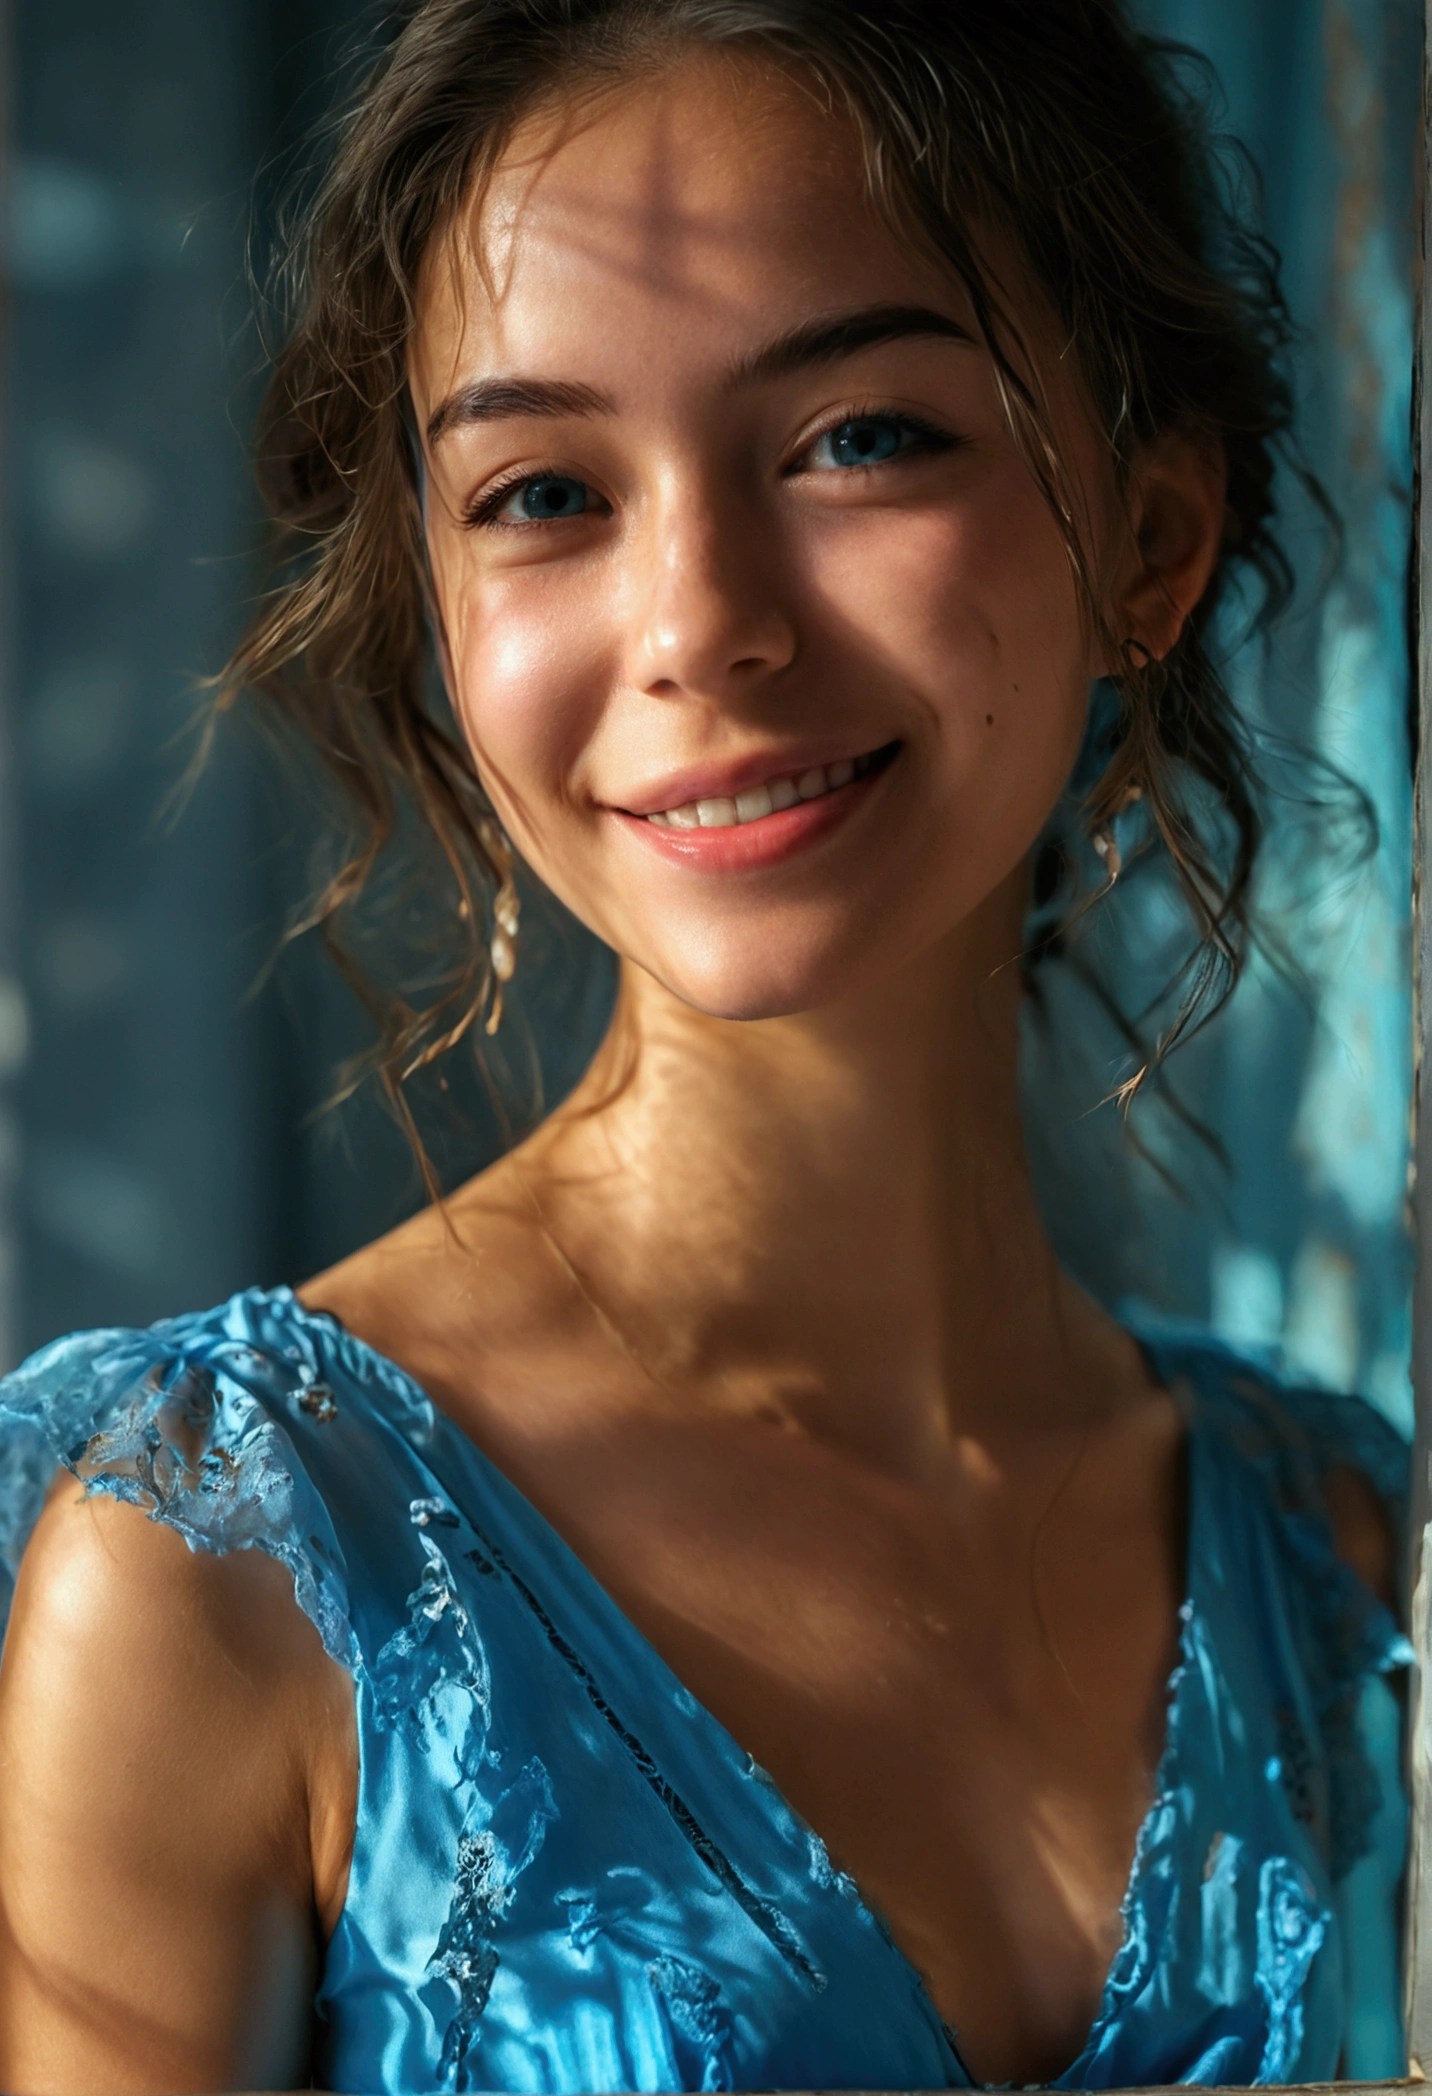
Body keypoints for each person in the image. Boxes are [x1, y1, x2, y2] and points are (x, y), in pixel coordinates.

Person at [0, 1, 1412, 2089]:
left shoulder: (1350, 1559)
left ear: (1145, 538)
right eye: (544, 489)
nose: (696, 624)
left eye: (858, 437)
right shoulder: (230, 1562)